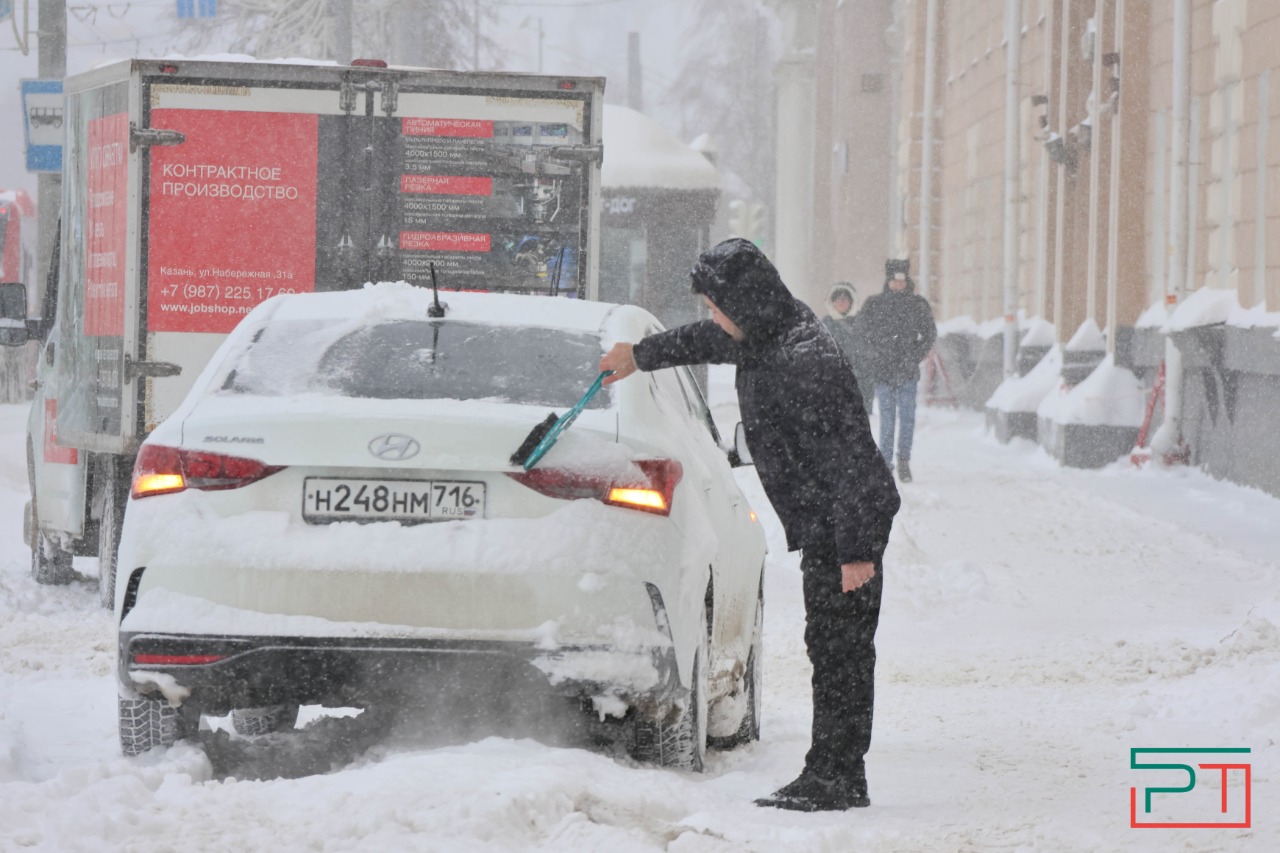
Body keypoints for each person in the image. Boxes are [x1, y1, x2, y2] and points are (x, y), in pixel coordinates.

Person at [599, 238, 900, 812]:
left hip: (847, 528)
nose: (713, 317)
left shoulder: (804, 360)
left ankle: (835, 776)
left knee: (841, 655)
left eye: (717, 305)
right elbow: (705, 339)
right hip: (830, 523)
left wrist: (855, 551)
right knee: (833, 650)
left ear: (746, 302)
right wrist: (637, 356)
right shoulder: (767, 335)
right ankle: (837, 773)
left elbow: (854, 462)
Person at [854, 258, 937, 483]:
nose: (897, 284)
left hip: (907, 372)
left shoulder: (917, 305)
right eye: (894, 280)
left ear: (906, 280)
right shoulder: (874, 304)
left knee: (907, 419)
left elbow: (929, 333)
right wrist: (874, 355)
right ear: (888, 281)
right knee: (888, 420)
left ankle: (903, 461)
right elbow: (860, 333)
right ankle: (885, 463)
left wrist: (913, 357)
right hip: (883, 373)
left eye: (901, 280)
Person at [821, 282, 875, 416]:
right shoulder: (826, 323)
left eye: (844, 299)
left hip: (861, 379)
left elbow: (871, 347)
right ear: (831, 302)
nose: (840, 302)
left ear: (851, 301)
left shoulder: (863, 321)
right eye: (837, 299)